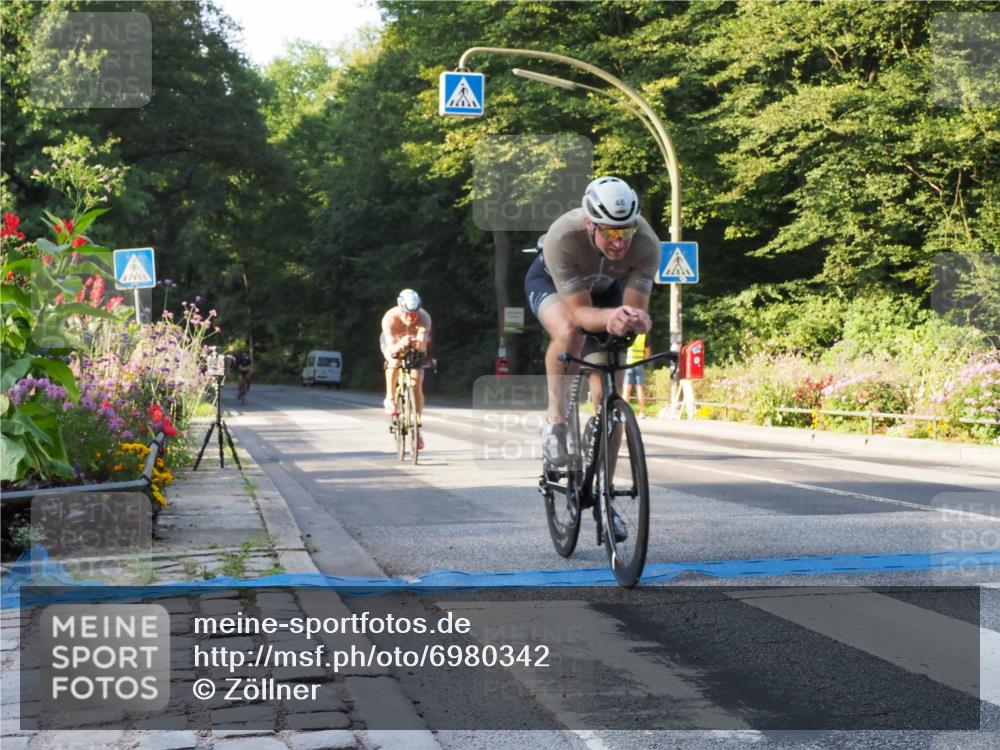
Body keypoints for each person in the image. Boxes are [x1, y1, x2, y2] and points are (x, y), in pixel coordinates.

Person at [524, 176, 658, 467]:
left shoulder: (647, 243)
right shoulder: (563, 237)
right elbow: (579, 312)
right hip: (551, 286)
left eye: (626, 231)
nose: (620, 243)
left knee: (610, 398)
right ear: (590, 224)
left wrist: (636, 319)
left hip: (604, 290)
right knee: (570, 332)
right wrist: (610, 316)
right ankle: (555, 419)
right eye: (610, 233)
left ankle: (604, 502)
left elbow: (634, 306)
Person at [380, 289, 432, 450]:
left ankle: (417, 427)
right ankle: (390, 398)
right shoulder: (390, 317)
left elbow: (423, 346)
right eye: (408, 313)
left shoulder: (424, 317)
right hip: (392, 342)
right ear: (401, 308)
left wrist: (417, 342)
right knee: (394, 361)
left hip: (414, 345)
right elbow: (391, 347)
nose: (412, 316)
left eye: (415, 313)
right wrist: (400, 343)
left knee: (417, 383)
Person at [622, 333, 652, 418]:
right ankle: (642, 412)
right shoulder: (644, 335)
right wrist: (643, 361)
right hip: (639, 364)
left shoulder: (628, 333)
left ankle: (625, 412)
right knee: (639, 389)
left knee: (626, 389)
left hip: (628, 363)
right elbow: (647, 352)